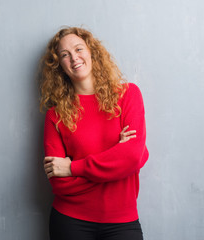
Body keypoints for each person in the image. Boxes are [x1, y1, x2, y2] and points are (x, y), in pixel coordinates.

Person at [39, 27, 149, 240]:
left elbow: (133, 157)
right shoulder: (55, 115)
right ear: (59, 66)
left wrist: (72, 167)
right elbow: (59, 183)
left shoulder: (128, 96)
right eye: (64, 55)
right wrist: (117, 160)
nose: (74, 58)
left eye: (78, 49)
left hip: (122, 222)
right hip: (70, 221)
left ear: (92, 52)